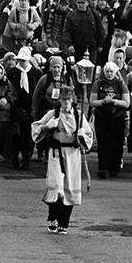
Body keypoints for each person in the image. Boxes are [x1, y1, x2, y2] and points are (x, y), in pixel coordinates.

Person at [31, 84, 93, 235]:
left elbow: (89, 137)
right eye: (63, 99)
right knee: (56, 185)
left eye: (68, 99)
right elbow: (35, 127)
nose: (66, 102)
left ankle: (63, 223)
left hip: (72, 154)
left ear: (72, 100)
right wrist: (47, 126)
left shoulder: (79, 116)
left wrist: (82, 136)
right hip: (56, 153)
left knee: (69, 187)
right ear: (59, 99)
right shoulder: (53, 113)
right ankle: (53, 218)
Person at [90, 60, 130, 179]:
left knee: (117, 143)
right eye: (107, 71)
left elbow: (126, 103)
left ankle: (114, 168)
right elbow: (92, 102)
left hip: (117, 117)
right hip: (102, 117)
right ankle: (103, 168)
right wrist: (103, 101)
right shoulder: (98, 84)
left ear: (115, 72)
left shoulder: (120, 84)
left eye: (111, 71)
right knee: (103, 143)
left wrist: (113, 101)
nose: (109, 74)